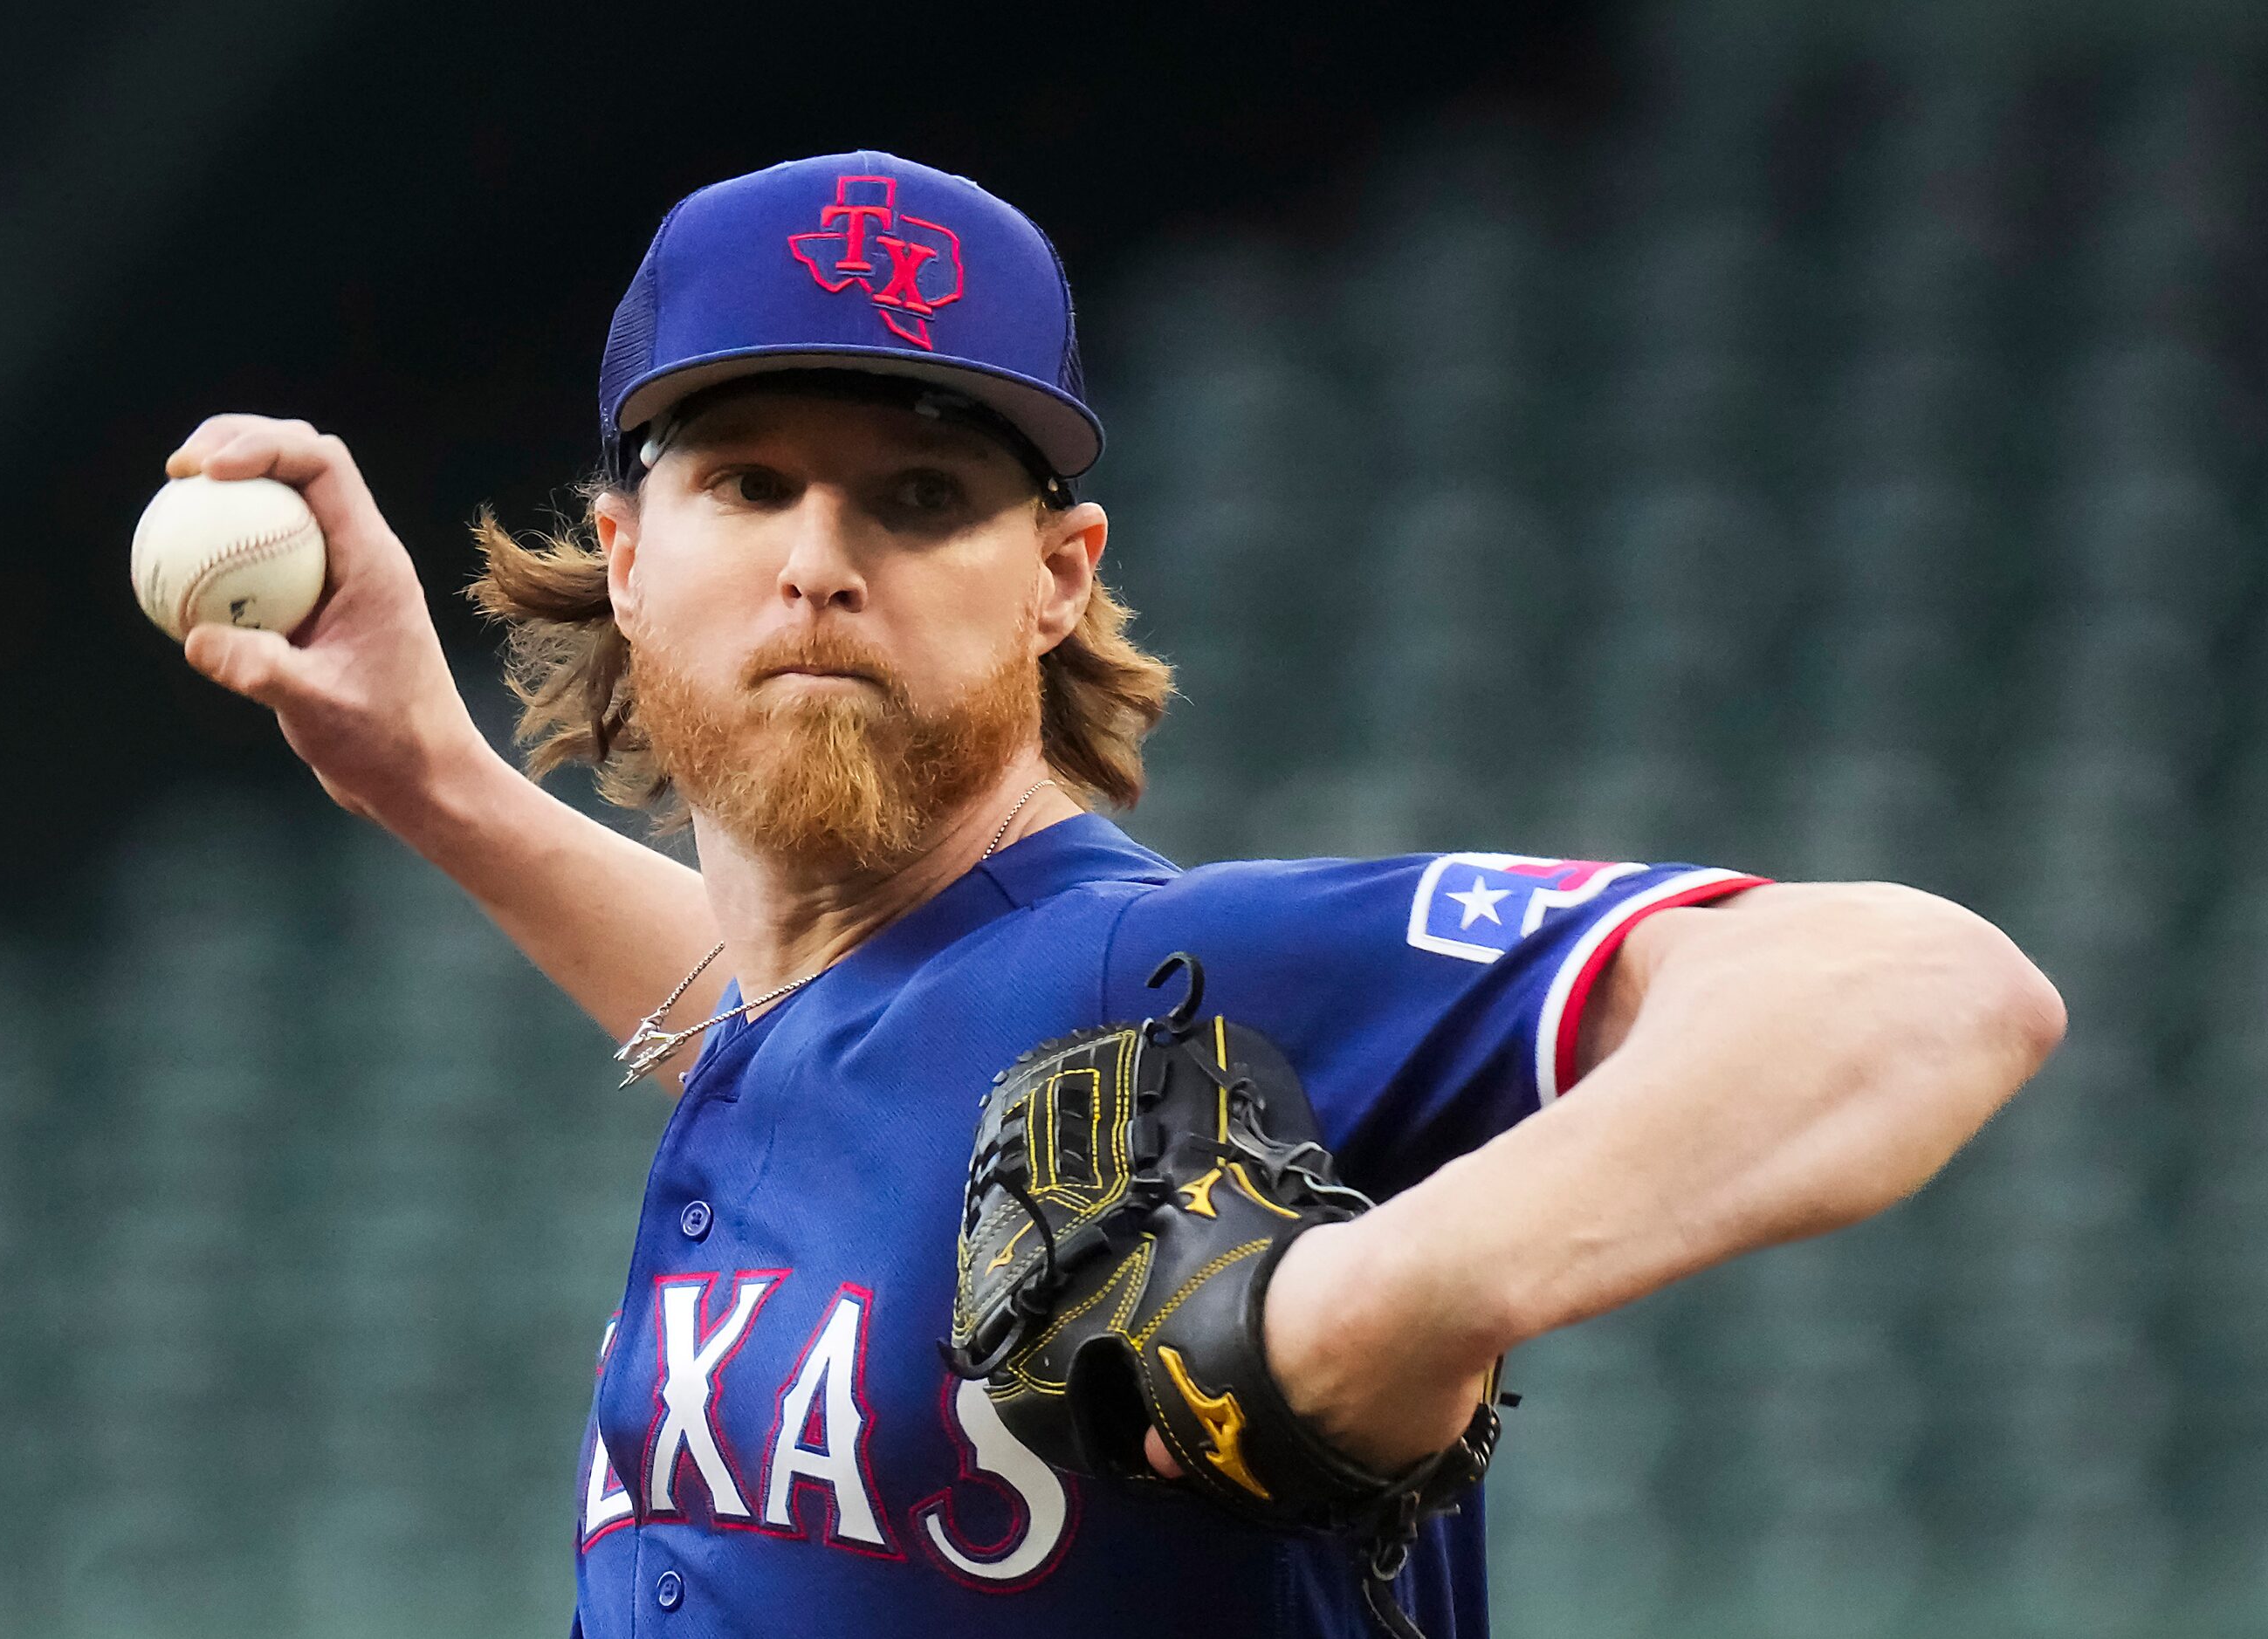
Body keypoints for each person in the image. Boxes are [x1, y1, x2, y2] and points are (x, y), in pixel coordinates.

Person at [162, 152, 2065, 1638]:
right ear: (626, 553)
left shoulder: (1178, 972)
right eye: (747, 483)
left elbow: (1924, 991)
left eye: (917, 497)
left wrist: (1368, 1296)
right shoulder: (825, 1027)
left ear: (1058, 573)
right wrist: (432, 785)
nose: (821, 560)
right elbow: (846, 1061)